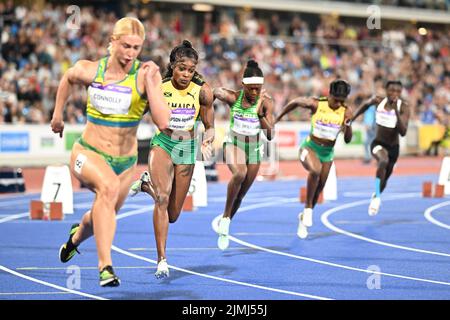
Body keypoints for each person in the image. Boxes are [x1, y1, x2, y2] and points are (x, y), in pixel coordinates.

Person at [51, 17, 170, 287]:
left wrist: (153, 81)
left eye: (137, 48)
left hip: (126, 163)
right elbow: (67, 78)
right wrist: (57, 114)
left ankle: (75, 239)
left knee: (101, 214)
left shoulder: (144, 75)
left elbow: (163, 122)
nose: (130, 53)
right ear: (113, 41)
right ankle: (105, 266)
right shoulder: (91, 70)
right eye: (125, 45)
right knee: (107, 189)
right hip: (88, 152)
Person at [129, 40, 215, 278]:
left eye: (191, 70)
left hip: (186, 148)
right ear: (173, 67)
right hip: (164, 144)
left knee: (174, 214)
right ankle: (162, 260)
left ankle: (146, 185)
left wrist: (207, 141)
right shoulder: (160, 87)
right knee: (163, 200)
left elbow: (210, 126)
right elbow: (137, 111)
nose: (186, 74)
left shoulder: (203, 92)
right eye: (181, 69)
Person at [274, 79, 353, 239]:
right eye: (335, 100)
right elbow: (295, 102)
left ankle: (303, 217)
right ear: (329, 94)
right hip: (309, 148)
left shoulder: (345, 111)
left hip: (327, 153)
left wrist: (348, 124)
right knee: (315, 171)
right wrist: (278, 118)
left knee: (319, 188)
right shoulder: (317, 104)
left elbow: (347, 139)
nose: (338, 103)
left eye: (341, 101)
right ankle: (309, 210)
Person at [213, 60, 274, 250]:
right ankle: (224, 217)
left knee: (240, 196)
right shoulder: (234, 98)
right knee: (239, 173)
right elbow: (214, 92)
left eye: (258, 89)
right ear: (243, 85)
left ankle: (227, 224)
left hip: (255, 149)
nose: (255, 93)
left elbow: (270, 135)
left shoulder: (266, 103)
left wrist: (259, 114)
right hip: (234, 144)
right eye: (251, 89)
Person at [352, 81, 410, 216]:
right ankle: (377, 198)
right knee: (382, 161)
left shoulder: (404, 107)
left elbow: (403, 132)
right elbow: (364, 105)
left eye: (397, 91)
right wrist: (351, 120)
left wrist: (396, 111)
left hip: (394, 148)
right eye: (391, 91)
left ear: (400, 93)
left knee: (385, 179)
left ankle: (376, 195)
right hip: (377, 143)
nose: (394, 94)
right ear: (386, 90)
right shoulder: (378, 101)